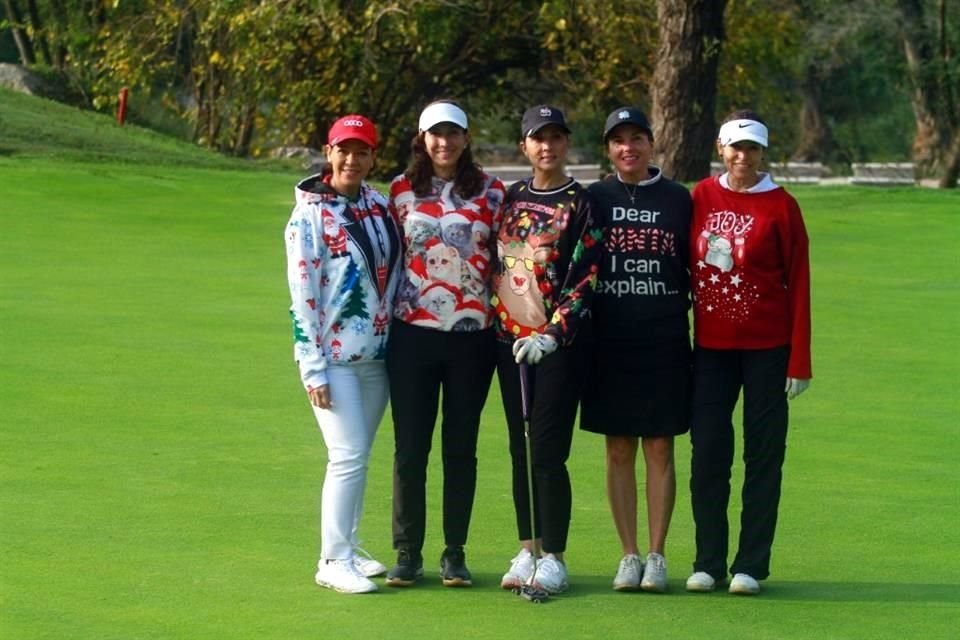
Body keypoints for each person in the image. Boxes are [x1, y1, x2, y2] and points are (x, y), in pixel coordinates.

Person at [685, 109, 812, 596]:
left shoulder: (782, 206)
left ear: (763, 153)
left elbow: (798, 284)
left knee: (763, 456)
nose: (744, 156)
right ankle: (708, 561)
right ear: (721, 148)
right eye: (736, 147)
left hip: (768, 348)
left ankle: (750, 565)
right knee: (709, 455)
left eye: (752, 148)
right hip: (711, 350)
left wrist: (799, 360)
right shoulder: (700, 197)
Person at [385, 100, 505, 587]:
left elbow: (508, 260)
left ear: (466, 138)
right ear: (422, 138)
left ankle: (454, 551)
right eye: (436, 134)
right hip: (412, 335)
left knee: (461, 447)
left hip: (472, 338)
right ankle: (407, 551)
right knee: (410, 448)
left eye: (453, 133)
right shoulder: (399, 191)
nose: (445, 143)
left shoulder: (493, 193)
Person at [284, 114, 402, 594]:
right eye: (343, 150)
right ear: (328, 153)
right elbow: (302, 296)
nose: (352, 160)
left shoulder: (379, 205)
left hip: (378, 356)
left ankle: (349, 548)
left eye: (362, 151)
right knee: (347, 455)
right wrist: (312, 369)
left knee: (360, 454)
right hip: (332, 360)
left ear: (373, 156)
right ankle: (331, 560)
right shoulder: (308, 215)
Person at [580, 107, 693, 593]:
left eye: (637, 138)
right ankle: (628, 555)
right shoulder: (594, 198)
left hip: (665, 336)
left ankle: (657, 554)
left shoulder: (678, 199)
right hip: (609, 338)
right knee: (619, 446)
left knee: (661, 445)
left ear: (652, 143)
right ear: (608, 149)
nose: (629, 148)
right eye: (618, 140)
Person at [493, 105, 602, 596]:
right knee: (520, 448)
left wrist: (551, 335)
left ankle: (554, 555)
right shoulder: (511, 198)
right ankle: (527, 547)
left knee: (547, 450)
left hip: (558, 347)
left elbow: (585, 278)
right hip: (509, 343)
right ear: (525, 146)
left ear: (566, 144)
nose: (548, 147)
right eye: (539, 138)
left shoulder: (582, 202)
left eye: (556, 138)